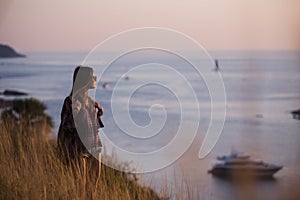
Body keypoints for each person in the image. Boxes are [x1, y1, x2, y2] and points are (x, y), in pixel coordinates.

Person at [57, 66, 104, 189]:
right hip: (78, 146)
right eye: (92, 76)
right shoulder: (70, 101)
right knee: (80, 186)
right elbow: (67, 126)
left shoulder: (90, 101)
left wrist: (99, 111)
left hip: (94, 145)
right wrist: (76, 112)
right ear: (85, 80)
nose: (95, 79)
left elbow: (93, 125)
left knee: (93, 185)